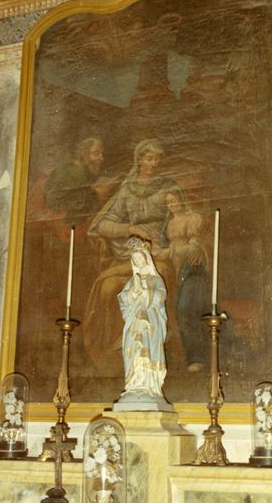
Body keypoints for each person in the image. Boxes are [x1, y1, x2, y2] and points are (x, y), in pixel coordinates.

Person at [83, 139, 175, 372]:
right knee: (108, 288)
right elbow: (103, 225)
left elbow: (181, 215)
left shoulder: (167, 186)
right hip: (128, 252)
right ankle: (116, 348)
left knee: (151, 284)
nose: (153, 164)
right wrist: (131, 229)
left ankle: (150, 347)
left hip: (157, 251)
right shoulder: (127, 189)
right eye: (149, 158)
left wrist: (165, 240)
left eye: (157, 159)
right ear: (139, 159)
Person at [159, 186, 210, 372]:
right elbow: (166, 245)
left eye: (174, 200)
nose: (171, 205)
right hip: (176, 269)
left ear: (181, 200)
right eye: (168, 202)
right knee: (178, 311)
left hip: (192, 268)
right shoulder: (168, 223)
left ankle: (198, 358)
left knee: (187, 309)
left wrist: (170, 252)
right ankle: (188, 356)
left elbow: (194, 247)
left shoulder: (193, 219)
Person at [118, 239, 167, 398]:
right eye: (135, 259)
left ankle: (148, 385)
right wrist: (134, 292)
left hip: (150, 321)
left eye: (140, 258)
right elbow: (123, 299)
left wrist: (144, 292)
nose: (138, 261)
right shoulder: (132, 281)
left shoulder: (155, 279)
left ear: (146, 258)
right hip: (133, 322)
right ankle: (133, 384)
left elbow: (161, 296)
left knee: (146, 347)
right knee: (133, 347)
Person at [44, 137, 104, 222]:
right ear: (85, 155)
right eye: (96, 154)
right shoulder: (76, 172)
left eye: (101, 153)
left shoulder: (74, 166)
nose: (102, 158)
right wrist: (97, 193)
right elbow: (76, 204)